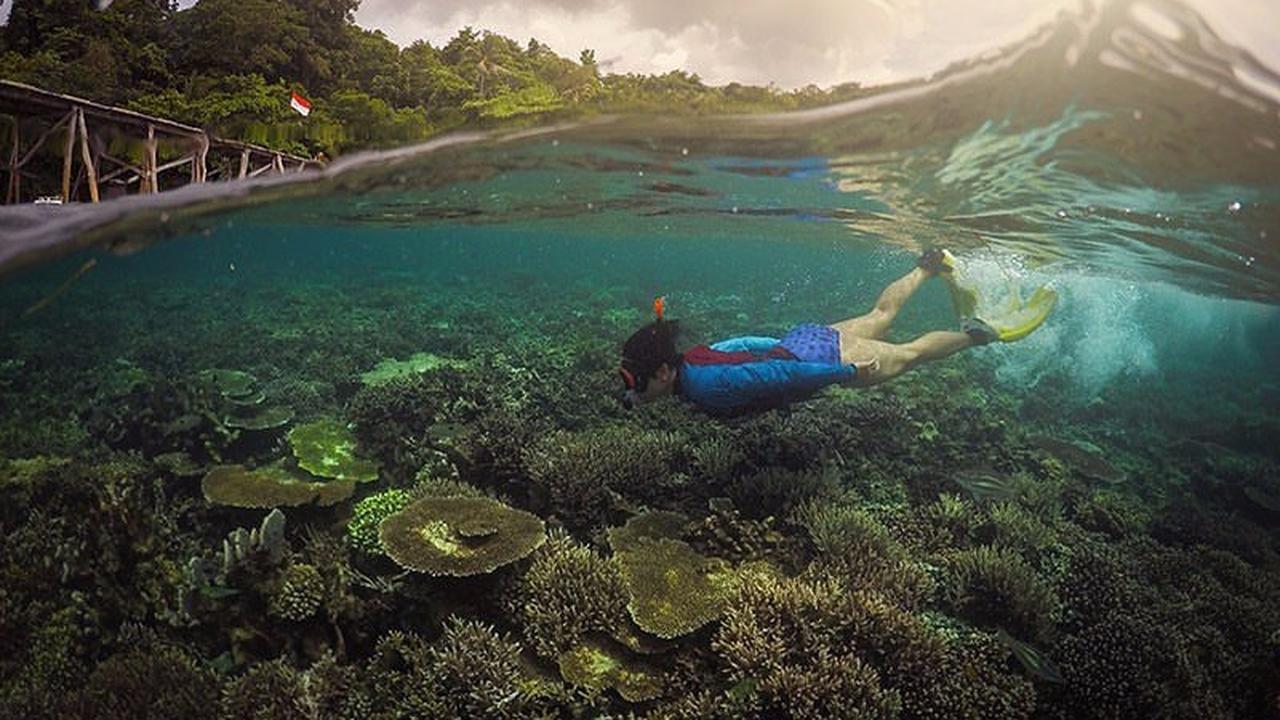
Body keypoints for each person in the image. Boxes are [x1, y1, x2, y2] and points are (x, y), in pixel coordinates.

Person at [618, 249, 1055, 415]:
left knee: (910, 354)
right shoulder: (695, 356)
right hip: (802, 341)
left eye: (635, 383)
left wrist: (846, 373)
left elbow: (780, 378)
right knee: (879, 313)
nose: (632, 392)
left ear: (660, 372)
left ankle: (985, 332)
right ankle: (928, 265)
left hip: (820, 362)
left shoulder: (704, 386)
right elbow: (747, 344)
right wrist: (787, 345)